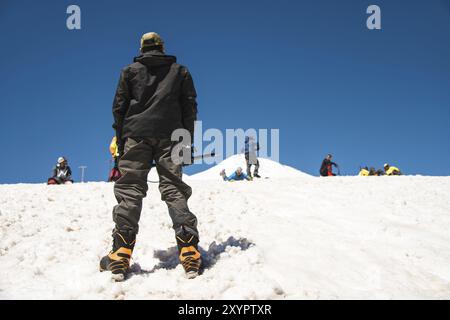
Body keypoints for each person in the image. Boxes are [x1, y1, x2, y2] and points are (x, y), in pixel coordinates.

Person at [100, 32, 201, 281]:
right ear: (162, 47)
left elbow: (119, 108)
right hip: (172, 136)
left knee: (131, 188)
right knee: (174, 189)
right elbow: (190, 107)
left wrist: (121, 139)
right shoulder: (180, 71)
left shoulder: (129, 71)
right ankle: (189, 250)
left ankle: (121, 252)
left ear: (142, 48)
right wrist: (186, 141)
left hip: (136, 134)